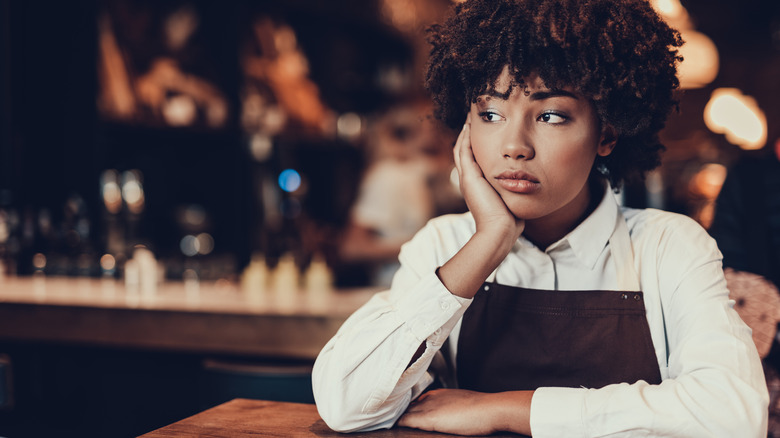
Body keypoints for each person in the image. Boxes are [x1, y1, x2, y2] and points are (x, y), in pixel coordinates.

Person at [312, 0, 769, 436]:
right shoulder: (444, 246)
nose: (515, 145)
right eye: (490, 113)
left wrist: (504, 410)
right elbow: (345, 405)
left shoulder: (669, 247)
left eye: (550, 115)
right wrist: (488, 242)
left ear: (606, 132)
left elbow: (734, 417)